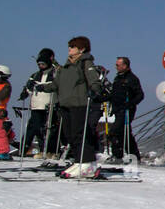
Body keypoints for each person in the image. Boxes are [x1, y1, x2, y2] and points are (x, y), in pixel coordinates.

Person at [39, 36, 107, 176]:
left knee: (79, 134)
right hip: (65, 104)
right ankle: (79, 161)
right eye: (69, 47)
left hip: (79, 104)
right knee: (69, 135)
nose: (69, 49)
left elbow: (94, 80)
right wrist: (41, 87)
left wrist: (95, 90)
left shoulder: (85, 63)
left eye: (73, 47)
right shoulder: (66, 66)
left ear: (81, 49)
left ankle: (86, 162)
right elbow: (56, 84)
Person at [17, 48, 59, 157]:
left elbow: (57, 86)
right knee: (36, 128)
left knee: (50, 129)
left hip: (50, 104)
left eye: (43, 64)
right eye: (39, 64)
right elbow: (28, 87)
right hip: (36, 105)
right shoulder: (35, 75)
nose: (41, 66)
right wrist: (25, 92)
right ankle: (37, 148)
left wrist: (44, 87)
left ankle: (52, 150)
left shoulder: (55, 73)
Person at [108, 56, 144, 161]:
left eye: (118, 65)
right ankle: (134, 155)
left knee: (115, 132)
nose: (116, 67)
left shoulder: (131, 79)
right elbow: (114, 94)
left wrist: (130, 103)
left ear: (125, 66)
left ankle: (118, 155)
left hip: (126, 110)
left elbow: (140, 95)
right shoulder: (117, 78)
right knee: (125, 133)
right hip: (117, 109)